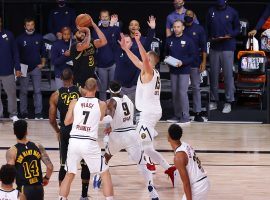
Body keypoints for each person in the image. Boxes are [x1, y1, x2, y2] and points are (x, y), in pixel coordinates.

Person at [119, 32, 176, 187]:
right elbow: (138, 60)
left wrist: (138, 41)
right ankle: (168, 169)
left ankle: (150, 168)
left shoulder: (150, 72)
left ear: (152, 62)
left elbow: (142, 59)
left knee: (134, 144)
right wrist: (126, 49)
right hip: (151, 112)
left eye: (147, 60)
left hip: (148, 114)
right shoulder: (148, 71)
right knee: (147, 148)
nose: (144, 61)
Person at [59, 78, 114, 200]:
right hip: (88, 142)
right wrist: (109, 118)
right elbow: (99, 120)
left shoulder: (75, 101)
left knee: (69, 174)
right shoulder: (101, 104)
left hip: (74, 141)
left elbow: (66, 121)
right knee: (104, 172)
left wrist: (77, 117)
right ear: (96, 88)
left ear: (84, 87)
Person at [104, 81, 159, 199]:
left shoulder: (111, 101)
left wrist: (104, 122)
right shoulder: (128, 99)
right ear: (120, 89)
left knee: (106, 158)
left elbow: (110, 115)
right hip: (131, 134)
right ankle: (151, 188)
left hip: (118, 135)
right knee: (142, 163)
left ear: (109, 90)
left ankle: (98, 178)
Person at [49, 68, 91, 200]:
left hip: (65, 131)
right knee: (84, 163)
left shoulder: (55, 95)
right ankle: (84, 196)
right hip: (80, 130)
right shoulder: (81, 91)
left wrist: (57, 131)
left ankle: (62, 196)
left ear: (61, 79)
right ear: (72, 77)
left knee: (63, 164)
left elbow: (51, 119)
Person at [6, 120, 54, 200]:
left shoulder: (12, 151)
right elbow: (50, 167)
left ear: (14, 132)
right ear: (26, 132)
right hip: (38, 187)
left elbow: (10, 172)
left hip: (24, 188)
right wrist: (46, 178)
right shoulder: (37, 146)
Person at [206, 0, 240, 113]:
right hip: (214, 47)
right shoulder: (211, 11)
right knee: (214, 75)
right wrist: (210, 38)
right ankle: (214, 101)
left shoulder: (232, 12)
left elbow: (237, 29)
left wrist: (230, 35)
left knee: (228, 75)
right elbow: (207, 28)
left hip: (228, 47)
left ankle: (228, 101)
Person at [167, 124, 210, 200]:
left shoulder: (178, 157)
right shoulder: (185, 145)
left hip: (198, 186)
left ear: (169, 137)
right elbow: (189, 162)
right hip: (204, 181)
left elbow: (186, 183)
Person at [165, 20, 196, 124]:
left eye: (178, 27)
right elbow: (165, 54)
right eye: (174, 27)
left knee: (182, 93)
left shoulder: (189, 40)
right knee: (175, 93)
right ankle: (177, 115)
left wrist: (183, 62)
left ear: (183, 27)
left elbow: (193, 57)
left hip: (184, 71)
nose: (176, 29)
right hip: (173, 70)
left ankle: (185, 116)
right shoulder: (169, 40)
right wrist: (168, 60)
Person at [16, 17, 46, 120]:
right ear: (25, 26)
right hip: (23, 67)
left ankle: (38, 113)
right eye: (28, 25)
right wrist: (18, 68)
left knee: (37, 91)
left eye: (32, 25)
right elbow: (16, 54)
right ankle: (23, 113)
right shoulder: (19, 38)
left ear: (34, 26)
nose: (30, 27)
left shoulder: (39, 37)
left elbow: (43, 52)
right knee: (23, 91)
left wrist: (42, 63)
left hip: (36, 68)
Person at [183, 10, 207, 122]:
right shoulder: (180, 28)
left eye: (190, 15)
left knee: (196, 88)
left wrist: (203, 62)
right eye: (186, 15)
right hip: (182, 64)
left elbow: (204, 47)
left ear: (194, 16)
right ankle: (184, 113)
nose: (188, 17)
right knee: (183, 89)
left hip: (195, 63)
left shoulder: (199, 29)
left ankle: (197, 112)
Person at [70, 17, 107, 87]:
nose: (82, 34)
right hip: (79, 80)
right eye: (79, 33)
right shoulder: (74, 46)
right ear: (74, 36)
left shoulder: (92, 42)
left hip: (91, 79)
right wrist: (88, 31)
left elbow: (104, 41)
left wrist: (94, 25)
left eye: (83, 32)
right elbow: (85, 45)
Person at [93, 10, 120, 100]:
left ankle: (113, 109)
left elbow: (118, 44)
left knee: (114, 89)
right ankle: (103, 110)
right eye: (103, 17)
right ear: (100, 18)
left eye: (106, 17)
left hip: (113, 63)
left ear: (109, 17)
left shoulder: (116, 29)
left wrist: (117, 60)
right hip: (101, 65)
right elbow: (104, 41)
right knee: (102, 90)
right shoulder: (96, 30)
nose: (105, 19)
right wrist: (111, 26)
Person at [0, 15, 21, 122]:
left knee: (12, 93)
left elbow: (15, 52)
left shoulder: (9, 34)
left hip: (7, 70)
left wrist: (17, 67)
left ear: (1, 22)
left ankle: (13, 114)